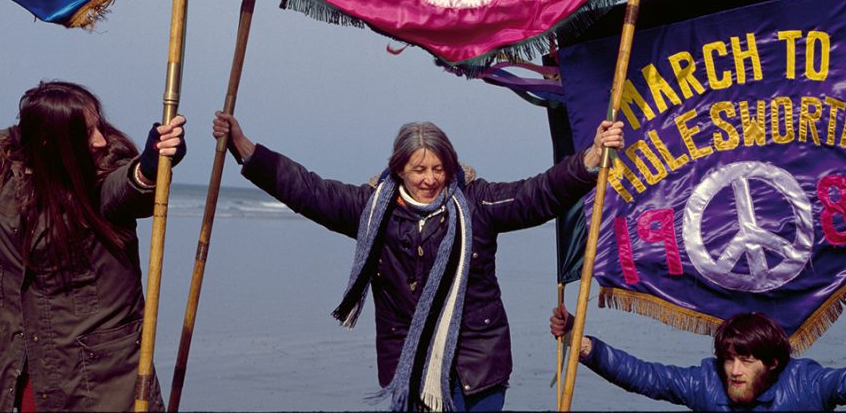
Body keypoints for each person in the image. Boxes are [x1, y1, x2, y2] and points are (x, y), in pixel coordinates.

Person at [213, 111, 624, 412]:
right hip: (409, 373)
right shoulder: (373, 210)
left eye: (438, 168)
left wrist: (587, 160)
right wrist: (245, 149)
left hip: (480, 369)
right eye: (419, 169)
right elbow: (308, 190)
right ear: (400, 169)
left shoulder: (477, 203)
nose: (430, 179)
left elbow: (536, 195)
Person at [0, 80, 187, 412]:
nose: (101, 140)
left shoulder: (103, 174)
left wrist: (151, 165)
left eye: (99, 126)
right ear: (50, 142)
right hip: (7, 376)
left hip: (95, 383)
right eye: (87, 133)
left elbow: (127, 188)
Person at [550, 303, 846, 411]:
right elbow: (646, 377)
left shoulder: (807, 384)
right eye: (729, 359)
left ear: (772, 363)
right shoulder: (707, 383)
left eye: (746, 361)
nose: (734, 370)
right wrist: (583, 343)